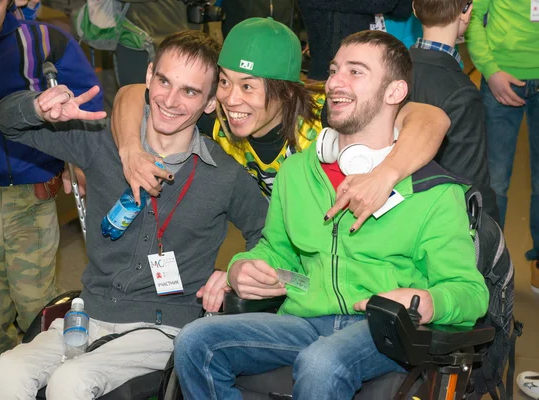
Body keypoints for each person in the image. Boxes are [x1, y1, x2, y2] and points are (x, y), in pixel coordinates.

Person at [172, 30, 489, 400]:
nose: (336, 81)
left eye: (356, 72)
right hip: (305, 320)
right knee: (194, 342)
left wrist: (424, 301)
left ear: (394, 93)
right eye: (335, 69)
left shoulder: (433, 190)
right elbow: (278, 251)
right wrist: (244, 266)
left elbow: (470, 293)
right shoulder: (298, 172)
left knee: (322, 362)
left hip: (382, 329)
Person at [0, 30, 268, 399]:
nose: (170, 99)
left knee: (70, 382)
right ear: (149, 76)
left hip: (164, 328)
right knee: (6, 372)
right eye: (164, 81)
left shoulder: (224, 175)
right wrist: (37, 107)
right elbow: (4, 121)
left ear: (211, 102)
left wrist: (234, 271)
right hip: (90, 316)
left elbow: (267, 234)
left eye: (190, 91)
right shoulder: (102, 140)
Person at [111, 17, 450, 232]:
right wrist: (131, 151)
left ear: (285, 92)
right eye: (226, 82)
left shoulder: (326, 114)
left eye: (248, 86)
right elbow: (130, 94)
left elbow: (431, 118)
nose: (231, 100)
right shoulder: (219, 118)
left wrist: (384, 175)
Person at [0, 0, 102, 373]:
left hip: (32, 191)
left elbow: (90, 104)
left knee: (36, 302)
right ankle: (1, 379)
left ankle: (43, 377)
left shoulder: (47, 40)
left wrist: (80, 159)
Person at [465, 0, 539, 291]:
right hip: (499, 78)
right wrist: (490, 71)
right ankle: (492, 265)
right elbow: (473, 19)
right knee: (494, 182)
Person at [408, 0, 499, 221]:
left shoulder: (395, 70)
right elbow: (471, 184)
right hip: (443, 220)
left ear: (414, 8)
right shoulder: (462, 94)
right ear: (466, 12)